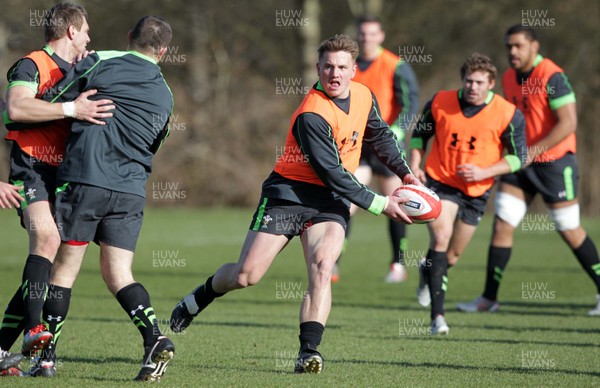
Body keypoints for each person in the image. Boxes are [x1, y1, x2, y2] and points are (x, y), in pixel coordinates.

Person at [170, 34, 420, 374]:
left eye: (342, 67)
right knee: (246, 275)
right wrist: (380, 204)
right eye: (328, 66)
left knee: (322, 265)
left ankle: (308, 352)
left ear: (354, 70)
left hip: (328, 200)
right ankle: (198, 298)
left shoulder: (363, 95)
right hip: (288, 194)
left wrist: (405, 174)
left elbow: (379, 136)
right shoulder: (312, 114)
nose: (334, 73)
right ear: (318, 68)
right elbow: (333, 173)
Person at [30, 16, 175, 381]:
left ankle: (46, 358)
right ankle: (154, 338)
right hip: (130, 190)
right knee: (119, 274)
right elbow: (157, 140)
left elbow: (55, 99)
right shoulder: (166, 92)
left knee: (64, 269)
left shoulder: (100, 60)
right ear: (164, 51)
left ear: (129, 36)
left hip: (86, 179)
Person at [0, 1, 113, 375]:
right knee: (45, 241)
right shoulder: (31, 65)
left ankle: (1, 351)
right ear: (70, 31)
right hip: (31, 166)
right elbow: (16, 108)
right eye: (86, 31)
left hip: (69, 174)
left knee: (52, 266)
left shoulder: (85, 68)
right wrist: (71, 110)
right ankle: (35, 330)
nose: (89, 37)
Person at [457, 25, 600, 316]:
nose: (512, 52)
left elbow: (568, 123)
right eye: (509, 46)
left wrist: (533, 152)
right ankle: (489, 298)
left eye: (519, 46)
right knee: (502, 224)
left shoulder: (552, 76)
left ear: (534, 46)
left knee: (568, 229)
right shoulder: (508, 77)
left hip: (554, 163)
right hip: (519, 163)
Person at [410, 53, 527, 334]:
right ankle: (438, 318)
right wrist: (415, 163)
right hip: (441, 181)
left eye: (479, 82)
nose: (472, 87)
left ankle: (428, 270)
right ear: (462, 80)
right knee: (441, 236)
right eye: (468, 81)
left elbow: (519, 156)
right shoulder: (440, 102)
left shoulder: (508, 113)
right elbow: (419, 136)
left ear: (491, 83)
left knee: (452, 257)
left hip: (477, 190)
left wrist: (485, 172)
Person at [332, 15, 420, 283]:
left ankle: (397, 264)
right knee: (346, 202)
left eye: (372, 34)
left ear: (381, 36)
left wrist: (398, 130)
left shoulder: (396, 65)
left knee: (396, 201)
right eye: (362, 34)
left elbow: (411, 102)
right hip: (356, 145)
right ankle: (332, 261)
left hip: (385, 144)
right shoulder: (349, 66)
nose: (366, 38)